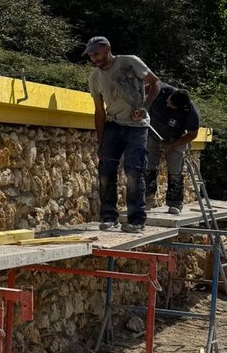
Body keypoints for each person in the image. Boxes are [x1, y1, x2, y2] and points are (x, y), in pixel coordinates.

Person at [83, 36, 161, 232]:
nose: (95, 58)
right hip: (113, 125)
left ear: (108, 48)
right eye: (91, 55)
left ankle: (136, 220)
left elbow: (155, 83)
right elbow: (99, 112)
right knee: (106, 172)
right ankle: (109, 217)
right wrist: (100, 143)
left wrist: (144, 107)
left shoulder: (130, 62)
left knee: (133, 171)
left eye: (97, 53)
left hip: (137, 126)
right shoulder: (95, 78)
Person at [146, 85, 201, 215]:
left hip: (176, 138)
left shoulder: (191, 113)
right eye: (168, 101)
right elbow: (145, 87)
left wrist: (172, 145)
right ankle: (147, 199)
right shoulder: (161, 90)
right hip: (153, 133)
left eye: (171, 105)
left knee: (175, 171)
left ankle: (175, 203)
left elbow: (192, 134)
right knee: (149, 167)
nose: (167, 104)